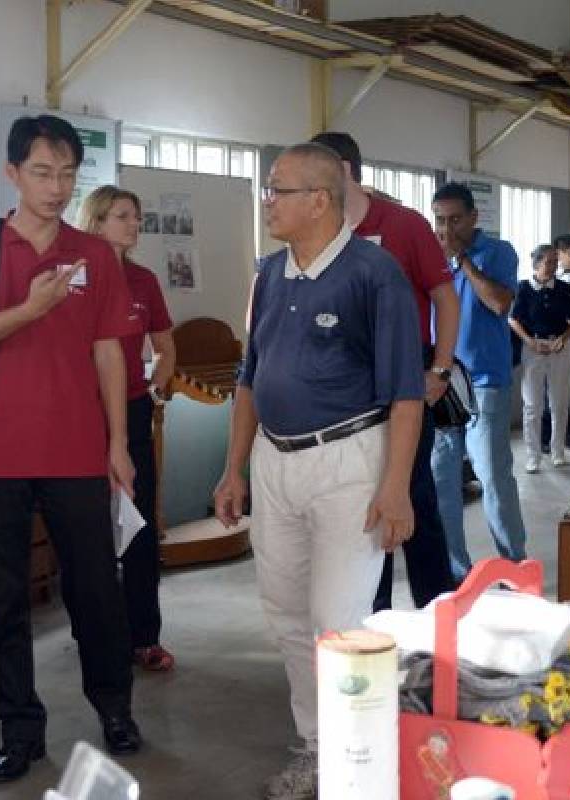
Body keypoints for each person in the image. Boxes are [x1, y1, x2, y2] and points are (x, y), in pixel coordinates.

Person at [0, 115, 141, 784]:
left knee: (96, 591)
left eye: (66, 174)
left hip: (79, 451)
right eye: (42, 173)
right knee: (5, 599)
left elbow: (109, 350)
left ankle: (114, 707)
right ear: (13, 174)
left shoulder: (96, 253)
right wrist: (31, 307)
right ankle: (20, 729)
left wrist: (118, 443)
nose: (55, 187)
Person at [213, 142, 424, 800]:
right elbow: (250, 378)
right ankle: (319, 746)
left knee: (338, 621)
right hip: (276, 461)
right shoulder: (270, 274)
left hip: (350, 462)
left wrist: (395, 490)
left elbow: (406, 391)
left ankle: (355, 760)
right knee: (284, 615)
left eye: (279, 189)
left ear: (320, 201)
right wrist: (233, 469)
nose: (267, 201)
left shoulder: (374, 273)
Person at [311, 131, 458, 613]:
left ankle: (438, 618)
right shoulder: (320, 229)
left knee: (412, 494)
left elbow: (444, 297)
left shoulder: (403, 224)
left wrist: (439, 369)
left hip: (405, 375)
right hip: (343, 382)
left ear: (344, 171)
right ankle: (368, 621)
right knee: (358, 507)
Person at [80, 185, 177, 672]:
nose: (134, 225)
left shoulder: (143, 280)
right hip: (80, 417)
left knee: (138, 528)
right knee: (91, 531)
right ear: (96, 221)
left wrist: (158, 387)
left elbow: (165, 346)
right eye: (123, 216)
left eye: (136, 216)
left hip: (134, 413)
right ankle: (98, 638)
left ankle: (145, 637)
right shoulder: (73, 277)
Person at [429, 182, 528, 583]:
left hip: (485, 383)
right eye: (440, 219)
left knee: (492, 476)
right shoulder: (430, 256)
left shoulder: (497, 252)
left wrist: (464, 262)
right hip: (440, 381)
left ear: (473, 217)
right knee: (442, 482)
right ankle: (456, 573)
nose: (447, 228)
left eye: (455, 219)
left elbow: (501, 303)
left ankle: (516, 567)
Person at [510, 244, 570, 473]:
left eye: (555, 261)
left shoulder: (564, 288)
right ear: (537, 263)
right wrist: (529, 341)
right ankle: (533, 456)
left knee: (559, 402)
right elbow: (513, 320)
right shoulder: (523, 288)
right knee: (532, 404)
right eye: (549, 261)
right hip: (533, 348)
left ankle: (557, 452)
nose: (553, 265)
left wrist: (563, 338)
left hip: (560, 347)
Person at [540, 234, 570, 454]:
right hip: (554, 337)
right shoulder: (556, 278)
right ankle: (546, 436)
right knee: (549, 388)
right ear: (558, 255)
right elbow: (562, 285)